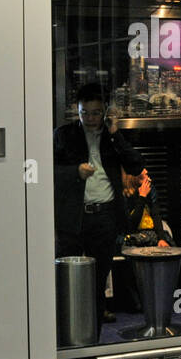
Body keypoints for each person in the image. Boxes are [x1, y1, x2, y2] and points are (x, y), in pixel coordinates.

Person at [53, 84, 143, 328]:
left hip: (104, 217)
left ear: (104, 112)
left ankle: (93, 334)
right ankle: (66, 329)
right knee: (66, 276)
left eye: (95, 113)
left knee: (98, 279)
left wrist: (115, 134)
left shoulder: (111, 138)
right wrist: (76, 172)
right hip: (73, 217)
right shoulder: (64, 135)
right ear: (77, 110)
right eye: (85, 113)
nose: (90, 119)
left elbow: (136, 166)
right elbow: (48, 172)